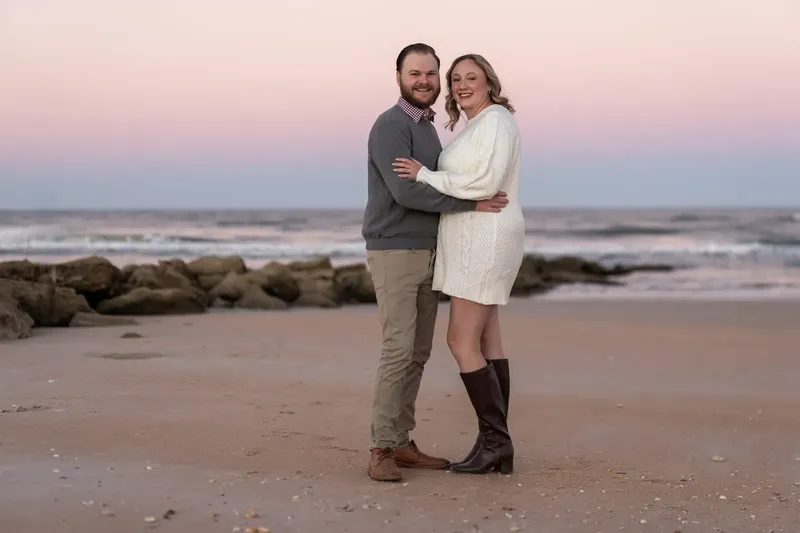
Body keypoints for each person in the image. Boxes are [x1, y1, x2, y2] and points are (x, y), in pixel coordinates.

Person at [362, 43, 510, 482]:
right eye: (415, 73)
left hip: (428, 249)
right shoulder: (391, 125)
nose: (424, 80)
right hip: (395, 248)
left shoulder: (427, 127)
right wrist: (472, 206)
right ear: (399, 77)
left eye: (431, 73)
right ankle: (381, 448)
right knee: (397, 348)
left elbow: (437, 181)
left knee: (418, 352)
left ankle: (403, 442)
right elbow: (406, 192)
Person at [393, 53, 525, 475]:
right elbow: (476, 183)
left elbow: (485, 183)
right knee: (488, 344)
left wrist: (425, 175)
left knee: (460, 342)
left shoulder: (497, 122)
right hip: (477, 238)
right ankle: (494, 445)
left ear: (490, 81)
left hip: (484, 240)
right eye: (456, 79)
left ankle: (496, 443)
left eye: (473, 77)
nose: (463, 84)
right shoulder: (479, 125)